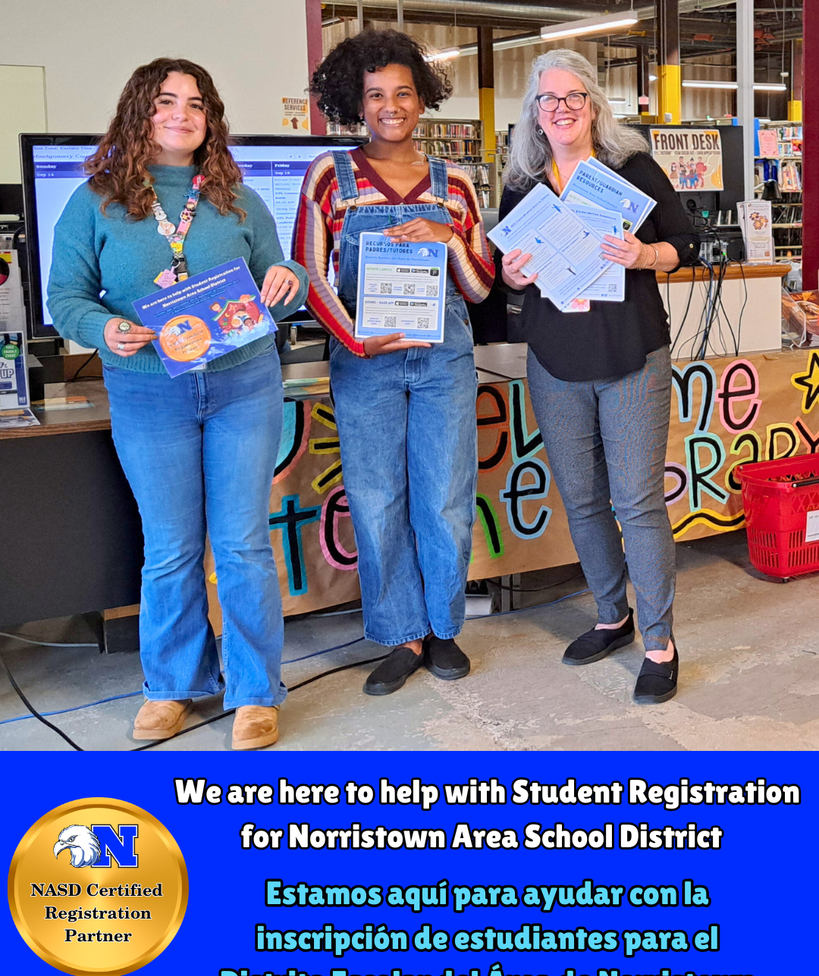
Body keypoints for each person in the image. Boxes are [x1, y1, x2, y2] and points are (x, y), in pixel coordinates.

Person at [48, 58, 309, 749]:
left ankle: (255, 690)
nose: (182, 114)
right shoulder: (95, 202)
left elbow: (281, 284)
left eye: (196, 104)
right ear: (140, 112)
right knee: (169, 550)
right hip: (147, 390)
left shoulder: (238, 199)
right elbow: (65, 298)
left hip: (242, 385)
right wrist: (103, 327)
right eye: (167, 102)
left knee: (244, 545)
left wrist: (292, 276)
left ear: (210, 118)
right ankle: (172, 686)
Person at [293, 29, 494, 696]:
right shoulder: (330, 174)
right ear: (355, 100)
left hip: (443, 358)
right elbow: (309, 274)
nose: (390, 105)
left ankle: (441, 628)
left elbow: (480, 285)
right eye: (375, 94)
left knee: (443, 501)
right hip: (366, 361)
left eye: (403, 92)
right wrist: (356, 340)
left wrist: (448, 237)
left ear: (422, 98)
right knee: (378, 501)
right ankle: (401, 634)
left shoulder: (455, 183)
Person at [499, 49, 699, 703]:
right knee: (582, 501)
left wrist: (645, 254)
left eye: (570, 97)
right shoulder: (524, 180)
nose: (558, 109)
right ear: (534, 111)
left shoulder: (630, 169)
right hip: (555, 358)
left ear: (592, 104)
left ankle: (659, 641)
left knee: (636, 502)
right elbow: (506, 271)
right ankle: (611, 617)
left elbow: (685, 242)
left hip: (630, 354)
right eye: (545, 100)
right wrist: (510, 276)